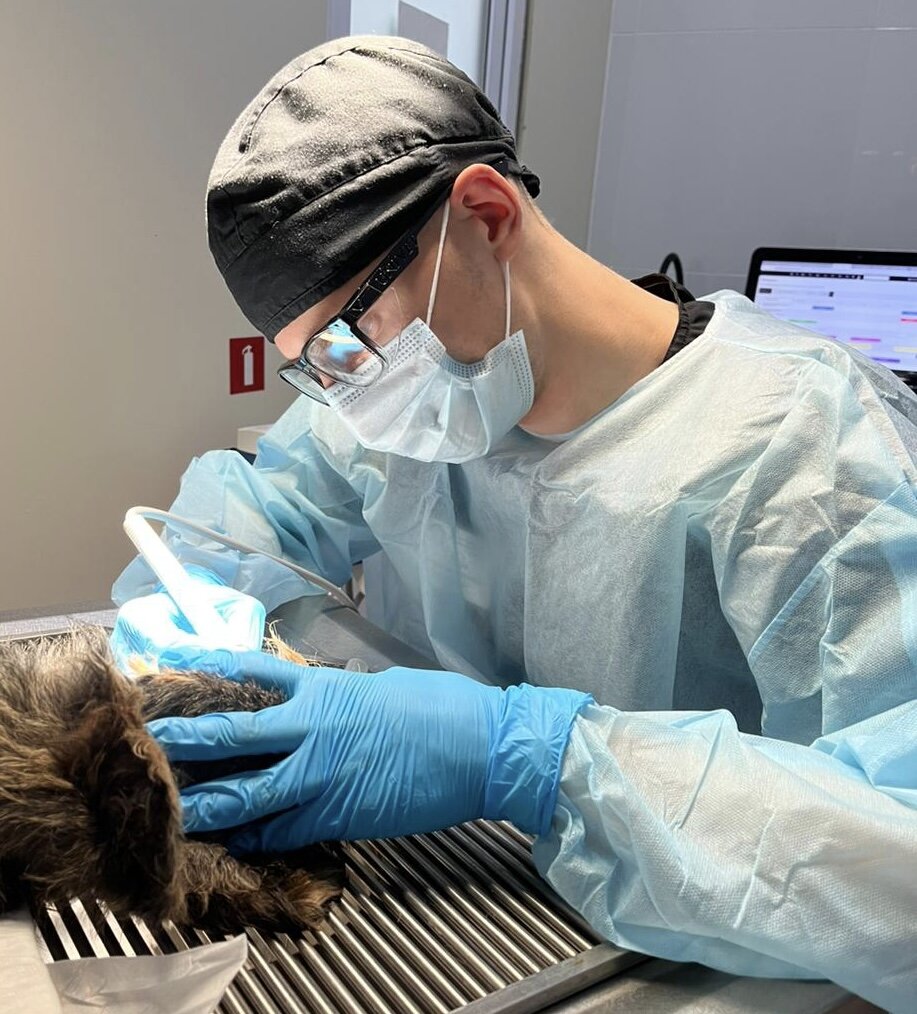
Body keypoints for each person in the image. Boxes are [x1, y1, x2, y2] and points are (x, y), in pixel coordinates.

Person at [112, 37, 917, 1010]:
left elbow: (893, 873)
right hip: (478, 911)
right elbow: (248, 515)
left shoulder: (805, 444)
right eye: (311, 365)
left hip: (726, 964)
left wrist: (534, 758)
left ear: (485, 214)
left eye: (345, 342)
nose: (343, 390)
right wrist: (190, 600)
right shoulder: (403, 403)